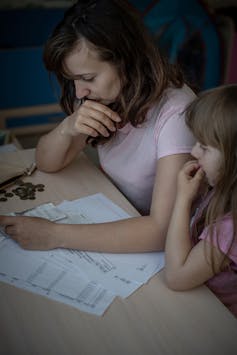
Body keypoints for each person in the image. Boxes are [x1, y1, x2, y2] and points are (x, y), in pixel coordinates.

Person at [0, 0, 195, 253]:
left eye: (88, 78)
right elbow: (47, 162)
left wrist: (53, 234)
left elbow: (162, 230)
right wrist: (68, 127)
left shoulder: (176, 114)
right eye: (73, 80)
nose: (80, 92)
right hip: (122, 213)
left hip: (174, 244)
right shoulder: (108, 95)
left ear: (127, 60)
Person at [164, 84, 237, 318]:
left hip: (214, 318)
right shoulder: (222, 188)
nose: (194, 152)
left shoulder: (231, 227)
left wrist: (183, 199)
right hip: (196, 300)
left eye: (204, 147)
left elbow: (177, 277)